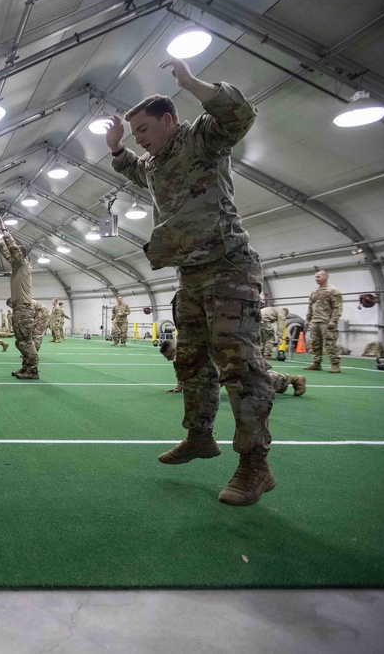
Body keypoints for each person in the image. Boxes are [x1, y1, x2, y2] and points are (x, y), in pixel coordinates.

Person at [107, 57, 275, 507]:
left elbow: (239, 114)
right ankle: (200, 436)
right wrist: (117, 150)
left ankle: (255, 466)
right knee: (191, 361)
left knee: (240, 365)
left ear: (168, 120)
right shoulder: (155, 163)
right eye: (135, 134)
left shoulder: (201, 138)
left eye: (142, 130)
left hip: (228, 268)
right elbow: (134, 172)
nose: (140, 140)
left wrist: (192, 83)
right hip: (191, 274)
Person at [161, 341, 305, 396]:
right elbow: (181, 373)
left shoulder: (188, 350)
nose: (170, 359)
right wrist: (179, 387)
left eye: (171, 355)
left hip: (230, 362)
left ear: (175, 349)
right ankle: (280, 385)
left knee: (255, 381)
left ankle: (293, 379)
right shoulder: (181, 356)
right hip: (222, 368)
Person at [0, 224, 38, 379]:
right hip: (19, 309)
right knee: (20, 342)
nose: (11, 258)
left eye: (15, 255)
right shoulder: (16, 265)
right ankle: (26, 368)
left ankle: (33, 370)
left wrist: (6, 233)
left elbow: (13, 250)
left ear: (20, 256)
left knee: (26, 341)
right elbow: (8, 253)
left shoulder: (24, 264)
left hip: (24, 309)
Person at [304, 270, 343, 373]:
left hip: (326, 322)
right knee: (315, 343)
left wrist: (333, 320)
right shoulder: (314, 292)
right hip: (315, 321)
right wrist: (308, 319)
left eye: (319, 277)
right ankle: (317, 363)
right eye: (316, 277)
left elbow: (337, 307)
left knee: (330, 344)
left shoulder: (332, 290)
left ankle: (335, 364)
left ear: (326, 277)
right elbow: (310, 307)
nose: (317, 279)